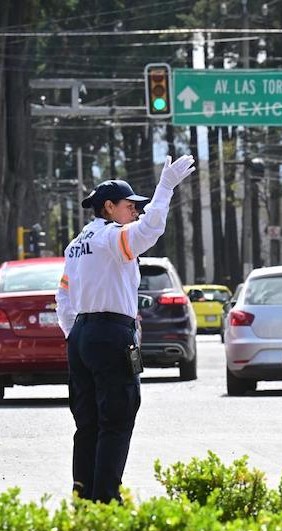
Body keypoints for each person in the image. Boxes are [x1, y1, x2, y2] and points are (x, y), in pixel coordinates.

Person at [55, 156, 195, 503]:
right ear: (108, 207)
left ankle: (84, 499)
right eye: (129, 205)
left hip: (83, 335)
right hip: (109, 334)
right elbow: (149, 231)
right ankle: (106, 501)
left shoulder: (76, 245)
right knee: (116, 420)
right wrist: (165, 188)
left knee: (87, 425)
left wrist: (76, 333)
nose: (135, 210)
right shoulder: (110, 238)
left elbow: (64, 296)